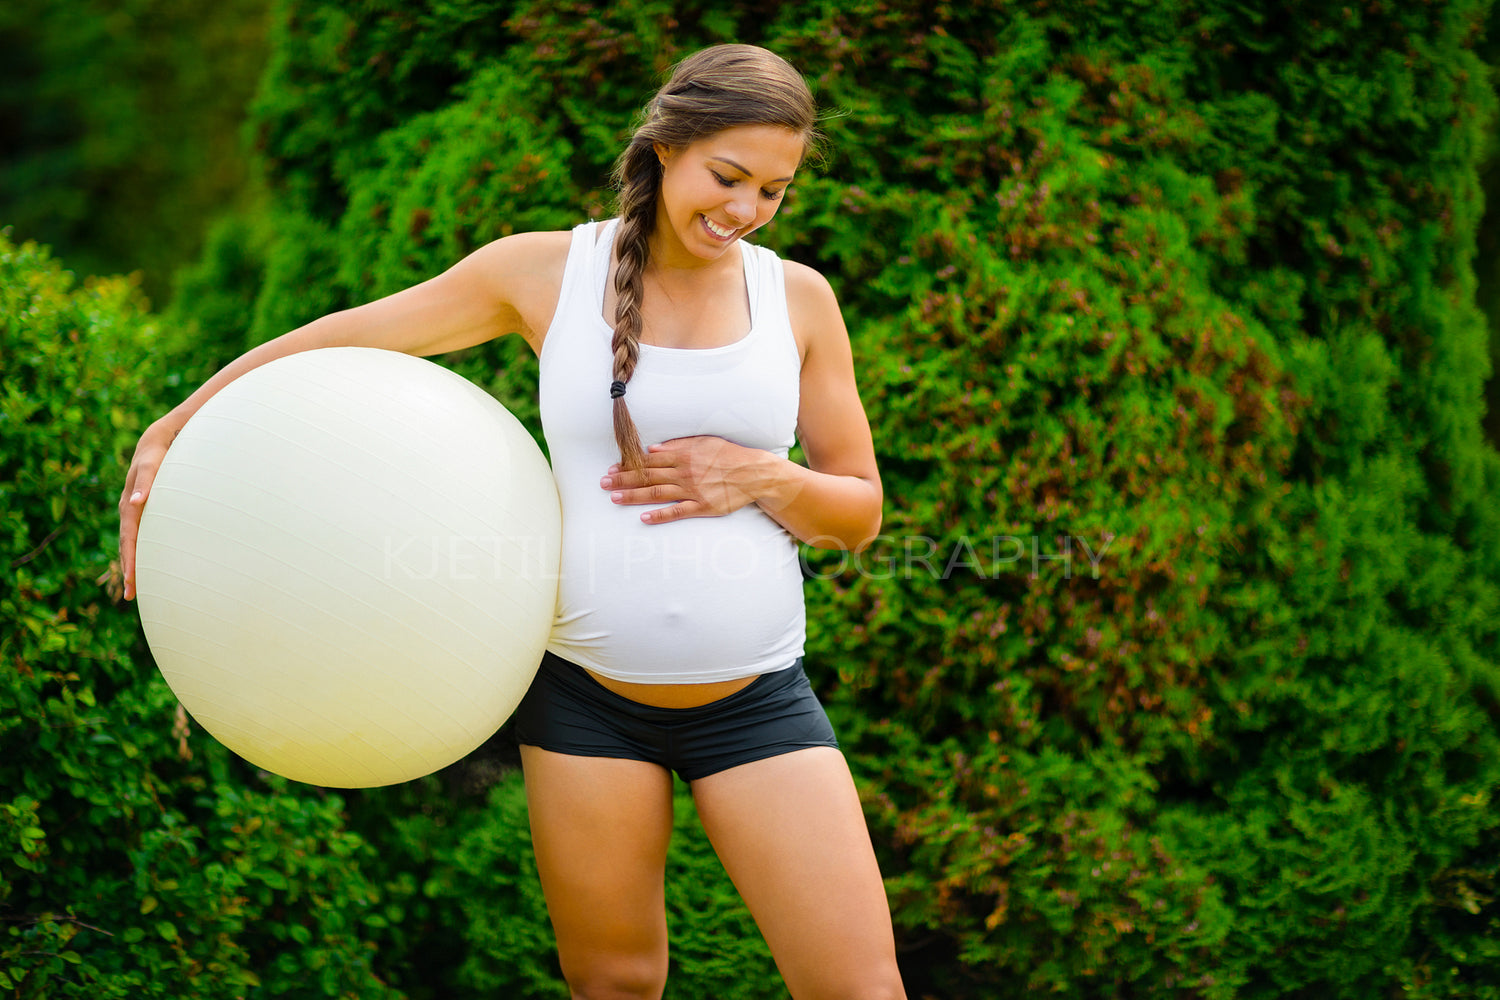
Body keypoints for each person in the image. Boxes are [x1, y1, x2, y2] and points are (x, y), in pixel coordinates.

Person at [119, 43, 905, 1000]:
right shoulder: (543, 273)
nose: (744, 211)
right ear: (665, 147)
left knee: (857, 987)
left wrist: (759, 478)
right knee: (613, 982)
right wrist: (175, 425)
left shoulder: (798, 300)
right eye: (727, 176)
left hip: (759, 703)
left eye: (773, 191)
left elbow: (858, 512)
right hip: (585, 706)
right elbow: (342, 336)